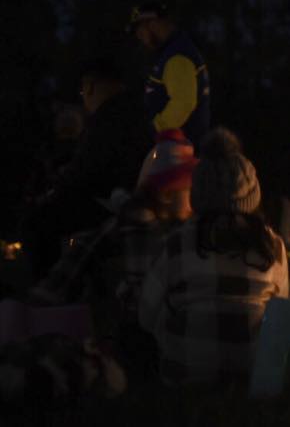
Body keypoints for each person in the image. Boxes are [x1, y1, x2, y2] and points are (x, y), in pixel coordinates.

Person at [31, 132, 197, 378]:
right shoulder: (161, 234)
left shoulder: (125, 226)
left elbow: (63, 277)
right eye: (188, 188)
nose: (194, 197)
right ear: (167, 193)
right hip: (137, 337)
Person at [139, 127, 289, 387]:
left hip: (185, 376)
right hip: (257, 374)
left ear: (198, 193)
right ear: (252, 194)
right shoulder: (272, 245)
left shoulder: (177, 242)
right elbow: (283, 312)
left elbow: (146, 314)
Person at [21, 58, 152, 279]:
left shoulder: (107, 118)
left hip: (112, 207)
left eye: (83, 93)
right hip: (130, 201)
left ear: (89, 87)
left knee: (36, 221)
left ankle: (49, 292)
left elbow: (86, 172)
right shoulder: (138, 113)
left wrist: (55, 187)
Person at [129, 1, 211, 145]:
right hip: (177, 148)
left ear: (153, 24)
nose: (141, 40)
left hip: (178, 152)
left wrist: (154, 129)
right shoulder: (171, 52)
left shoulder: (177, 57)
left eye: (141, 33)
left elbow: (183, 102)